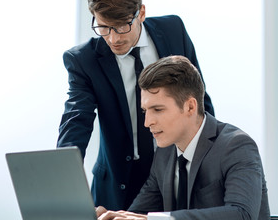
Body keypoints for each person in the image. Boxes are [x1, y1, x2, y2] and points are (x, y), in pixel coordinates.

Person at [57, 0, 214, 211]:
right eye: (103, 28)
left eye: (121, 27)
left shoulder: (173, 30)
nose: (113, 39)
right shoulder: (83, 60)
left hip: (175, 171)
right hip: (117, 183)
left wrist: (211, 162)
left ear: (141, 12)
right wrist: (64, 177)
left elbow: (199, 101)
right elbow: (76, 119)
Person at [96, 55, 270, 220]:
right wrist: (113, 216)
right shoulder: (164, 153)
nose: (147, 123)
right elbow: (139, 215)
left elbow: (241, 215)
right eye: (144, 111)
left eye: (157, 110)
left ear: (190, 107)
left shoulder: (236, 146)